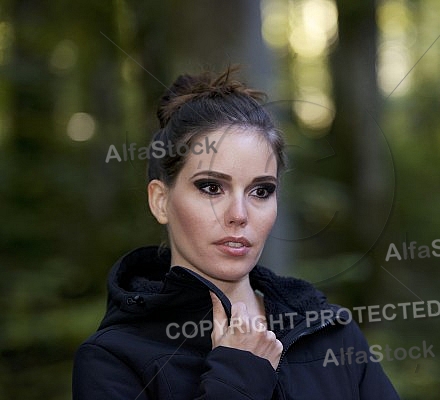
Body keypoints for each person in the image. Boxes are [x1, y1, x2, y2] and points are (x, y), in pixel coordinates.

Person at [72, 67, 401, 399]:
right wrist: (239, 376)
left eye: (261, 191)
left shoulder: (328, 331)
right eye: (212, 187)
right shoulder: (113, 359)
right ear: (161, 201)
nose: (239, 215)